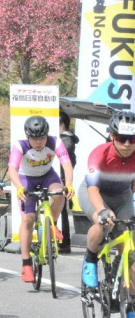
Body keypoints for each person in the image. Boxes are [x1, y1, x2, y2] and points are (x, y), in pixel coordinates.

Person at [8, 115, 74, 283]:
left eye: (42, 138)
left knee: (59, 192)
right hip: (26, 179)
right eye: (35, 139)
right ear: (27, 137)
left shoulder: (55, 142)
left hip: (47, 175)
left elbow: (66, 164)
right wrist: (19, 187)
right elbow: (12, 169)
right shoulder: (20, 145)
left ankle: (52, 224)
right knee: (28, 219)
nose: (39, 142)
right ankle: (26, 264)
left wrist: (69, 184)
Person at [79, 112, 135, 303]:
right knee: (103, 223)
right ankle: (90, 259)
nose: (127, 144)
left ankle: (129, 300)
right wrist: (102, 211)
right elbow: (93, 189)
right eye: (122, 138)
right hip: (96, 193)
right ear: (112, 136)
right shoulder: (99, 154)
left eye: (132, 139)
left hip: (122, 196)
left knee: (130, 247)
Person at [59, 110, 78, 254]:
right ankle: (63, 242)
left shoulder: (65, 141)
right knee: (61, 210)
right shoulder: (67, 140)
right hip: (62, 178)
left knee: (61, 210)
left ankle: (64, 242)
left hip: (61, 178)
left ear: (62, 125)